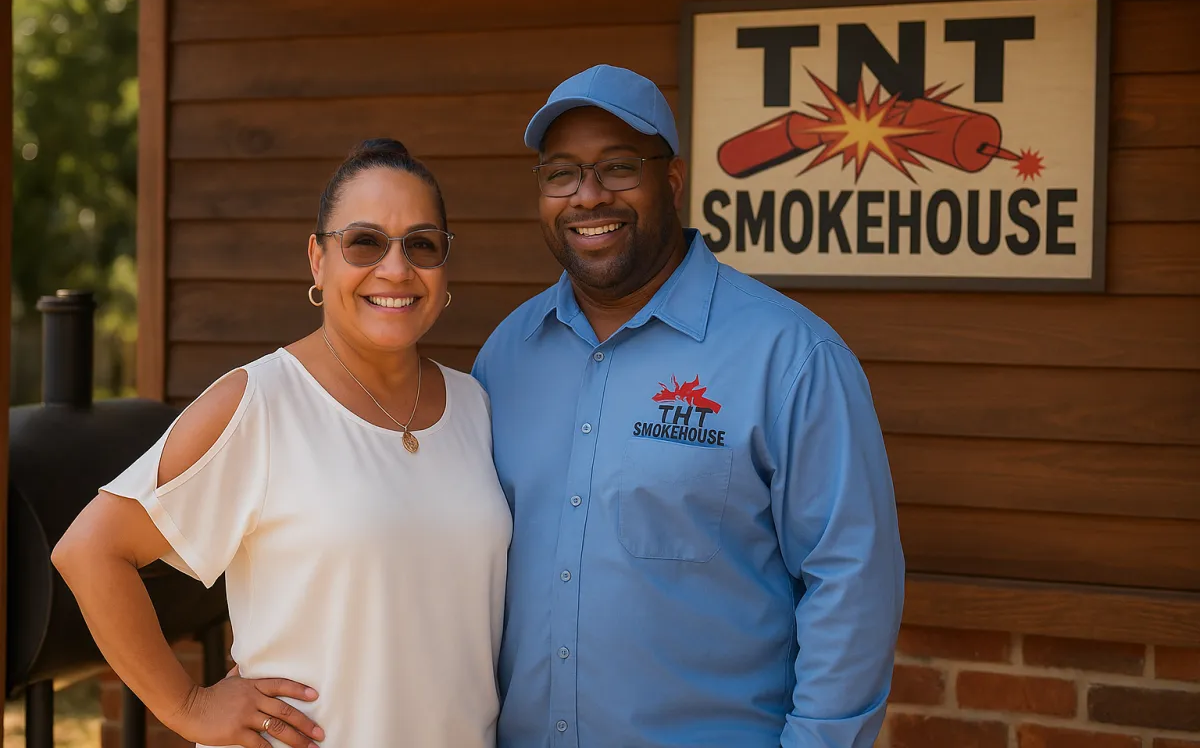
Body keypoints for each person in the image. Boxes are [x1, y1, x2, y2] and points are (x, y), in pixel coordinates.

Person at [472, 65, 905, 748]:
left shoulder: (790, 357)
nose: (587, 196)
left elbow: (850, 580)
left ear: (670, 182)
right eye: (561, 173)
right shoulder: (507, 355)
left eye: (617, 168)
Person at [53, 139, 512, 748]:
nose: (396, 269)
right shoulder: (262, 402)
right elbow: (89, 551)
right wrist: (187, 705)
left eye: (421, 245)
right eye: (365, 242)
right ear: (318, 260)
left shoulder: (474, 406)